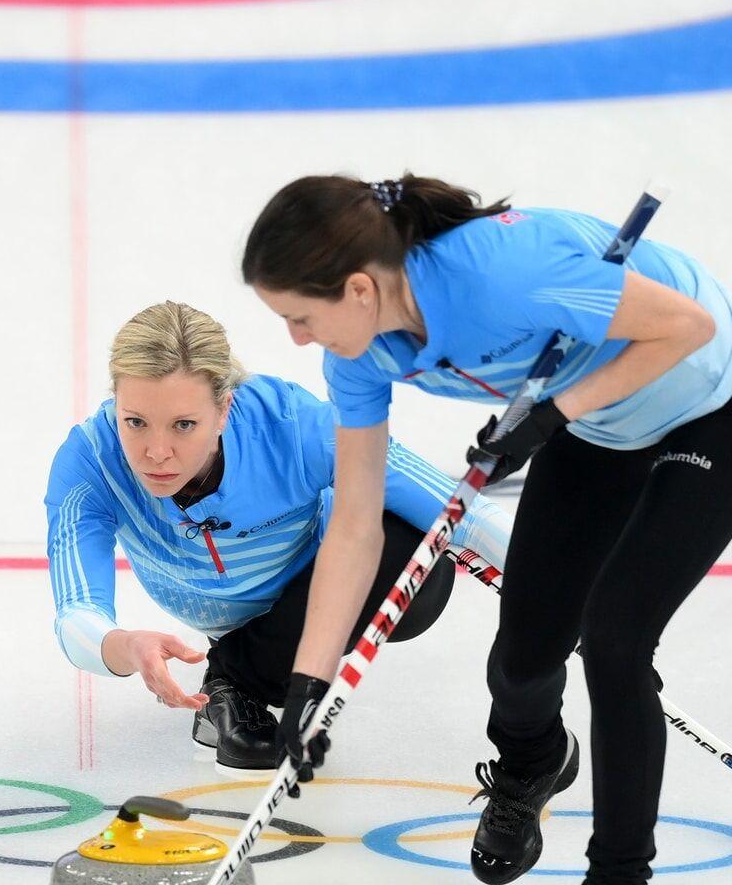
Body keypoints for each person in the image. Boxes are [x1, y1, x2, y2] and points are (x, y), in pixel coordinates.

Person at [242, 175, 732, 885]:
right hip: (599, 427)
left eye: (299, 317)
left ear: (356, 290)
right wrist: (307, 681)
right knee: (522, 665)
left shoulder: (507, 278)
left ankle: (619, 874)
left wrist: (554, 413)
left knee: (615, 640)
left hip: (710, 404)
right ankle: (534, 761)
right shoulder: (359, 355)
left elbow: (688, 327)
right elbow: (354, 521)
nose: (295, 339)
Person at [44, 301, 511, 771]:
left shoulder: (293, 424)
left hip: (326, 583)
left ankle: (237, 678)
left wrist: (561, 586)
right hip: (230, 617)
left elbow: (462, 511)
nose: (156, 452)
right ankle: (252, 676)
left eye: (184, 425)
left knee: (418, 548)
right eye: (135, 422)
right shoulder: (89, 461)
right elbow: (77, 615)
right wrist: (124, 646)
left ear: (224, 409)